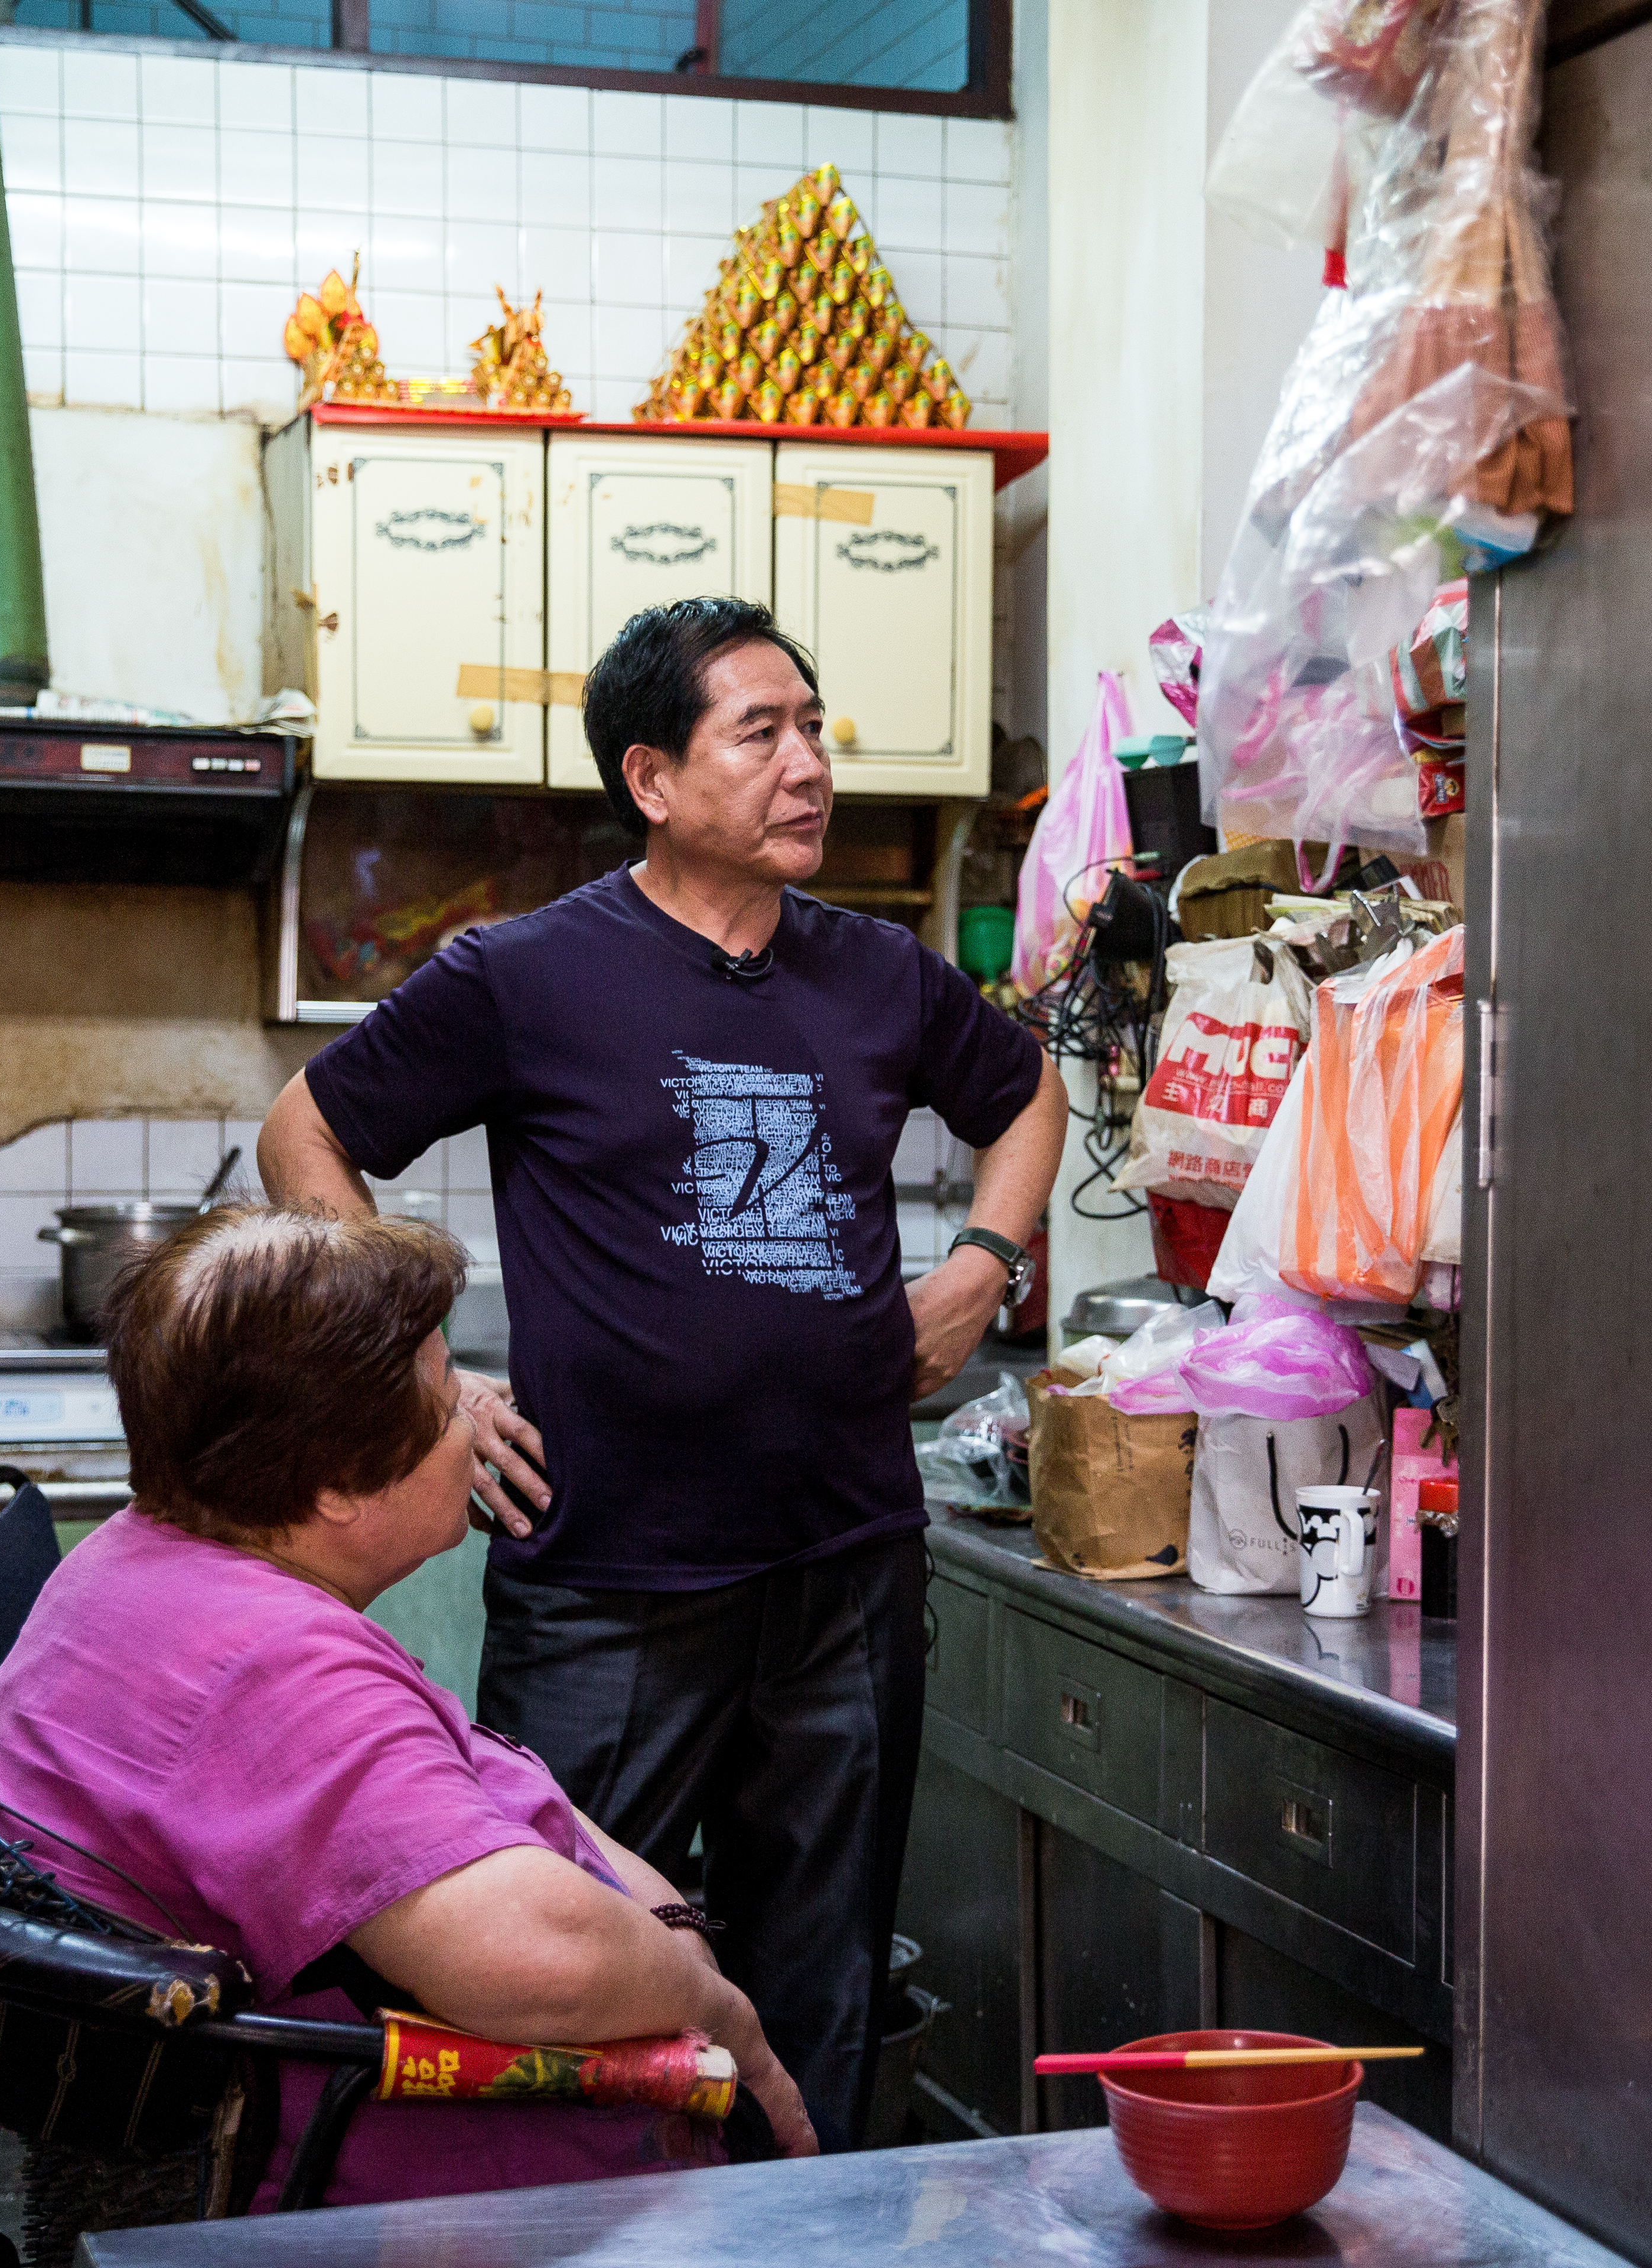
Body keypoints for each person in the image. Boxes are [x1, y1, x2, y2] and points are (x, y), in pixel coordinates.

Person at [256, 596, 1065, 2150]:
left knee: (817, 1984)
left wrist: (984, 1266)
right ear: (652, 777)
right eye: (760, 733)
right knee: (566, 1975)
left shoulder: (879, 976)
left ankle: (792, 2255)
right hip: (609, 1581)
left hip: (845, 1566)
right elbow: (308, 1135)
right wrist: (425, 1386)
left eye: (815, 727)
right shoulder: (527, 975)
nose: (809, 764)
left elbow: (1027, 1093)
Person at [0, 1205, 817, 2212]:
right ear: (334, 1484)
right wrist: (727, 2017)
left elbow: (467, 1777)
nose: (478, 1413)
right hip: (427, 2189)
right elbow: (529, 1957)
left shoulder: (133, 1566)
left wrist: (666, 1919)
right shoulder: (269, 1672)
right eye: (451, 1392)